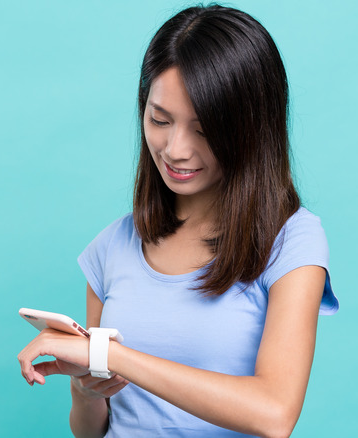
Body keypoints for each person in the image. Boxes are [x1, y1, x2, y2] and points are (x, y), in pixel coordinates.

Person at [17, 4, 339, 437]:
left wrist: (111, 355)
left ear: (252, 128)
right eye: (159, 120)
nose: (175, 149)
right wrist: (87, 392)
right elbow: (91, 432)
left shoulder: (292, 241)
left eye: (204, 130)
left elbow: (274, 412)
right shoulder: (112, 247)